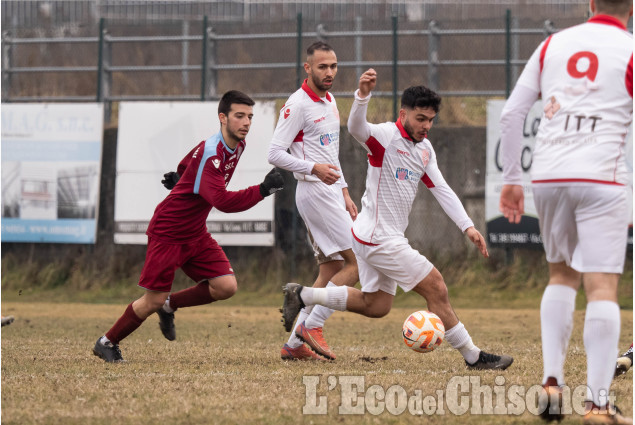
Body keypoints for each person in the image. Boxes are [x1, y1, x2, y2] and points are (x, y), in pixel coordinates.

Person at [282, 69, 514, 371]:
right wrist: (362, 96)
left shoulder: (425, 150)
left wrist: (467, 226)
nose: (426, 126)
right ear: (403, 114)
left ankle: (303, 295)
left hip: (373, 237)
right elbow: (355, 127)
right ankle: (473, 356)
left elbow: (441, 188)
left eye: (431, 120)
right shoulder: (385, 137)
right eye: (420, 119)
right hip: (379, 238)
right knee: (436, 286)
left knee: (376, 306)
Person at [498, 0, 633, 423]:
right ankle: (596, 405)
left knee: (560, 275)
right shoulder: (629, 49)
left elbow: (512, 112)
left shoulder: (552, 44)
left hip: (551, 175)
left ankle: (551, 384)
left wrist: (511, 177)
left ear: (590, 4)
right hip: (603, 177)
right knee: (601, 288)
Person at [93, 90, 284, 363]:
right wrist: (263, 190)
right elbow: (222, 202)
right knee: (152, 301)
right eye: (239, 116)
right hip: (169, 232)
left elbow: (190, 159)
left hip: (195, 232)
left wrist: (181, 176)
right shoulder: (213, 153)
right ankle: (107, 342)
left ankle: (171, 305)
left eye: (250, 117)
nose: (246, 123)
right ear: (223, 117)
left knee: (226, 286)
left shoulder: (235, 146)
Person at [268, 41, 359, 361]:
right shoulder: (297, 105)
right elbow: (274, 153)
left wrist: (345, 191)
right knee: (358, 260)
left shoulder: (331, 99)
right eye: (323, 67)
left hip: (332, 191)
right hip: (315, 192)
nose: (330, 72)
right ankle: (313, 325)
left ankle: (293, 346)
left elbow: (330, 153)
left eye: (334, 66)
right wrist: (313, 169)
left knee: (333, 266)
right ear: (308, 68)